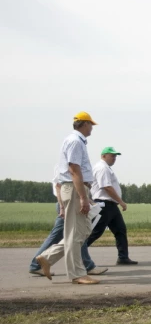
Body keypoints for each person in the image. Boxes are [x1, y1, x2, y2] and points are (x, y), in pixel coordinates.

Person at [35, 111, 100, 284]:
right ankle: (77, 274)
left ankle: (47, 258)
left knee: (83, 230)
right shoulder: (75, 142)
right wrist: (82, 197)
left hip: (76, 189)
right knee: (74, 233)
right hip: (73, 189)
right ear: (84, 124)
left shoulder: (76, 141)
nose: (92, 128)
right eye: (91, 125)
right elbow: (74, 170)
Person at [29, 167, 106, 276]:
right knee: (76, 235)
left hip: (73, 202)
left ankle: (42, 261)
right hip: (68, 204)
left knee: (78, 234)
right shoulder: (67, 164)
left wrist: (90, 202)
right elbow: (59, 187)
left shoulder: (72, 164)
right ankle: (86, 267)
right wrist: (62, 207)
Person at [81, 147, 137, 269]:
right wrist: (121, 201)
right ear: (104, 156)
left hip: (110, 205)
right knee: (95, 232)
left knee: (120, 230)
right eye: (112, 156)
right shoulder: (102, 168)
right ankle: (79, 254)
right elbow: (106, 187)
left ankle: (123, 257)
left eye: (115, 156)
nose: (114, 158)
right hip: (104, 205)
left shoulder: (105, 168)